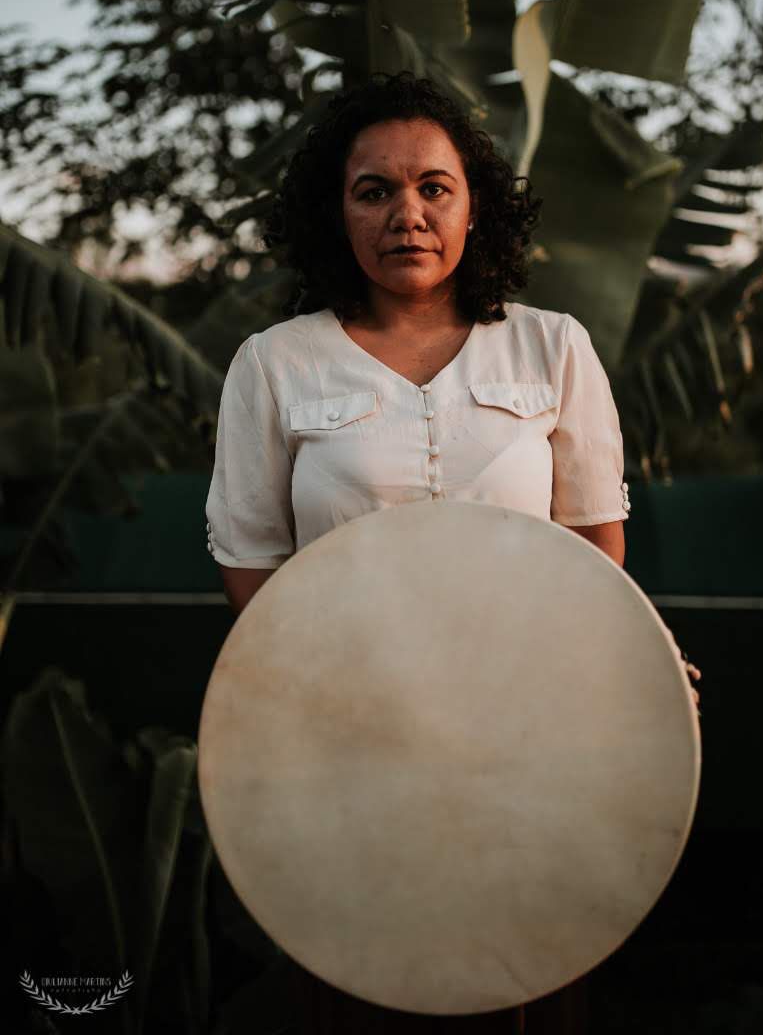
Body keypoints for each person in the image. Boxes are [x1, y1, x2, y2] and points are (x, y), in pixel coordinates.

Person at [204, 70, 695, 1033]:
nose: (407, 214)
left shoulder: (551, 349)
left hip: (533, 739)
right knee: (358, 977)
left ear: (477, 208)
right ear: (334, 214)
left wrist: (625, 666)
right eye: (373, 190)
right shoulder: (275, 363)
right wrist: (334, 696)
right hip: (341, 747)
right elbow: (250, 559)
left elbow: (593, 545)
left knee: (528, 969)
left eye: (434, 187)